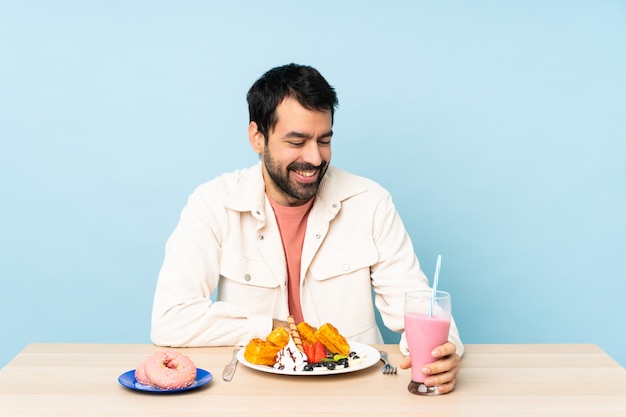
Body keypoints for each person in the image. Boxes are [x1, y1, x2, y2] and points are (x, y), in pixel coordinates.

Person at [151, 63, 463, 393]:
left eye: (324, 140)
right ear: (257, 138)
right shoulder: (213, 203)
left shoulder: (370, 202)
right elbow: (170, 318)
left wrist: (443, 353)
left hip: (354, 392)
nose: (314, 158)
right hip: (254, 394)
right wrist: (272, 330)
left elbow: (422, 309)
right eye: (297, 141)